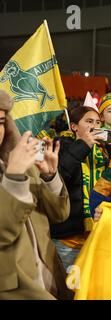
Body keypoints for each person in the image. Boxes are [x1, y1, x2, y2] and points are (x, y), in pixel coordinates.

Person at [0, 90, 71, 299]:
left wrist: (50, 176)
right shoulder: (16, 169)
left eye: (1, 121)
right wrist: (13, 181)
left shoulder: (21, 162)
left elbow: (60, 214)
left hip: (50, 279)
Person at [51, 106, 111, 269]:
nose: (95, 126)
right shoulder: (60, 145)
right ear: (74, 126)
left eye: (98, 122)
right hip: (68, 239)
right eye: (89, 121)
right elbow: (61, 176)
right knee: (68, 290)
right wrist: (84, 145)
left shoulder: (103, 151)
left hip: (98, 236)